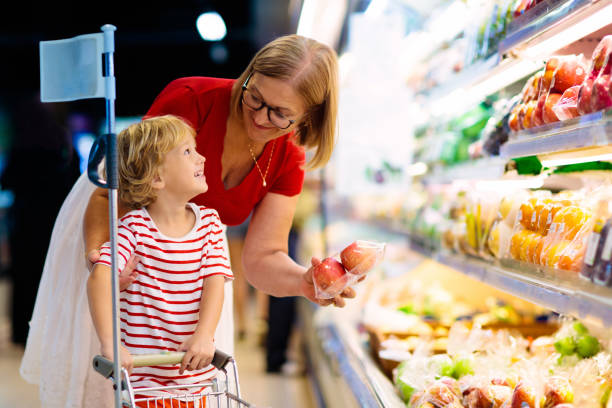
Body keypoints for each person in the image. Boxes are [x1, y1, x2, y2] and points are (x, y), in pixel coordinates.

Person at [21, 34, 355, 407]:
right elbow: (113, 193)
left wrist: (303, 281)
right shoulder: (191, 99)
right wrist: (103, 261)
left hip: (186, 271)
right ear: (248, 76)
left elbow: (263, 257)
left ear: (310, 115)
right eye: (255, 96)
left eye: (280, 113)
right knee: (106, 379)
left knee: (181, 384)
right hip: (115, 224)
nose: (260, 117)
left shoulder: (288, 156)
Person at [88, 115, 231, 406]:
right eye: (187, 152)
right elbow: (100, 276)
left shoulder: (210, 224)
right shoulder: (133, 228)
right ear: (156, 177)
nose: (202, 158)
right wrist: (110, 343)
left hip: (194, 374)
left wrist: (204, 335)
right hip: (143, 381)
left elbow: (215, 282)